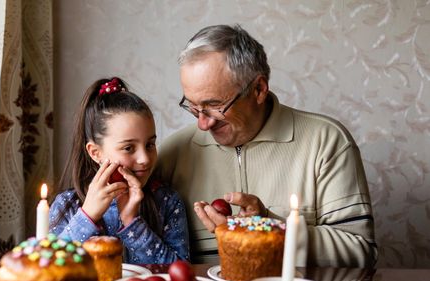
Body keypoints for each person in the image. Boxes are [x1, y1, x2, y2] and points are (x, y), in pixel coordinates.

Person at [157, 24, 377, 267]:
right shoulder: (170, 156)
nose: (202, 123)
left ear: (259, 89)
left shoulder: (327, 142)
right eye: (193, 107)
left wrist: (270, 231)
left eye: (214, 106)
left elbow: (361, 251)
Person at [50, 77, 189, 264]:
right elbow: (49, 267)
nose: (145, 159)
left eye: (150, 144)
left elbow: (181, 273)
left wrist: (133, 222)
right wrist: (87, 216)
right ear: (95, 152)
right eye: (128, 148)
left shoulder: (167, 202)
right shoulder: (67, 205)